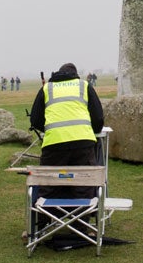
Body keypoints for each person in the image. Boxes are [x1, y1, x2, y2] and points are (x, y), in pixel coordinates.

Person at [30, 62, 105, 199]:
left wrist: (51, 129)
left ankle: (48, 219)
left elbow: (35, 120)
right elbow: (98, 117)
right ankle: (81, 218)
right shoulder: (84, 85)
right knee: (84, 186)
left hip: (53, 145)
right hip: (83, 144)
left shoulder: (47, 88)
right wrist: (90, 130)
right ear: (75, 75)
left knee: (49, 186)